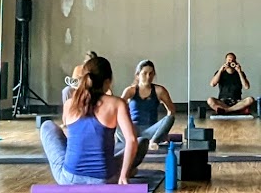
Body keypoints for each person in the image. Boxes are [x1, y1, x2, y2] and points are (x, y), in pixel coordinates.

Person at [40, 55, 141, 185]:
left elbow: (70, 136)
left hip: (69, 180)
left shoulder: (70, 103)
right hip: (105, 180)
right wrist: (123, 176)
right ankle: (124, 171)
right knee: (141, 142)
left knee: (47, 126)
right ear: (108, 81)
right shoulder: (117, 103)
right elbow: (131, 140)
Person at [122, 59, 176, 149]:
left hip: (151, 131)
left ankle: (153, 141)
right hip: (133, 130)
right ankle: (131, 141)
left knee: (170, 118)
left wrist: (163, 131)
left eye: (151, 74)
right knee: (114, 120)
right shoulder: (130, 90)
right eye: (144, 73)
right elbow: (117, 108)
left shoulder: (159, 90)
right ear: (138, 75)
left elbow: (171, 111)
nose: (148, 77)